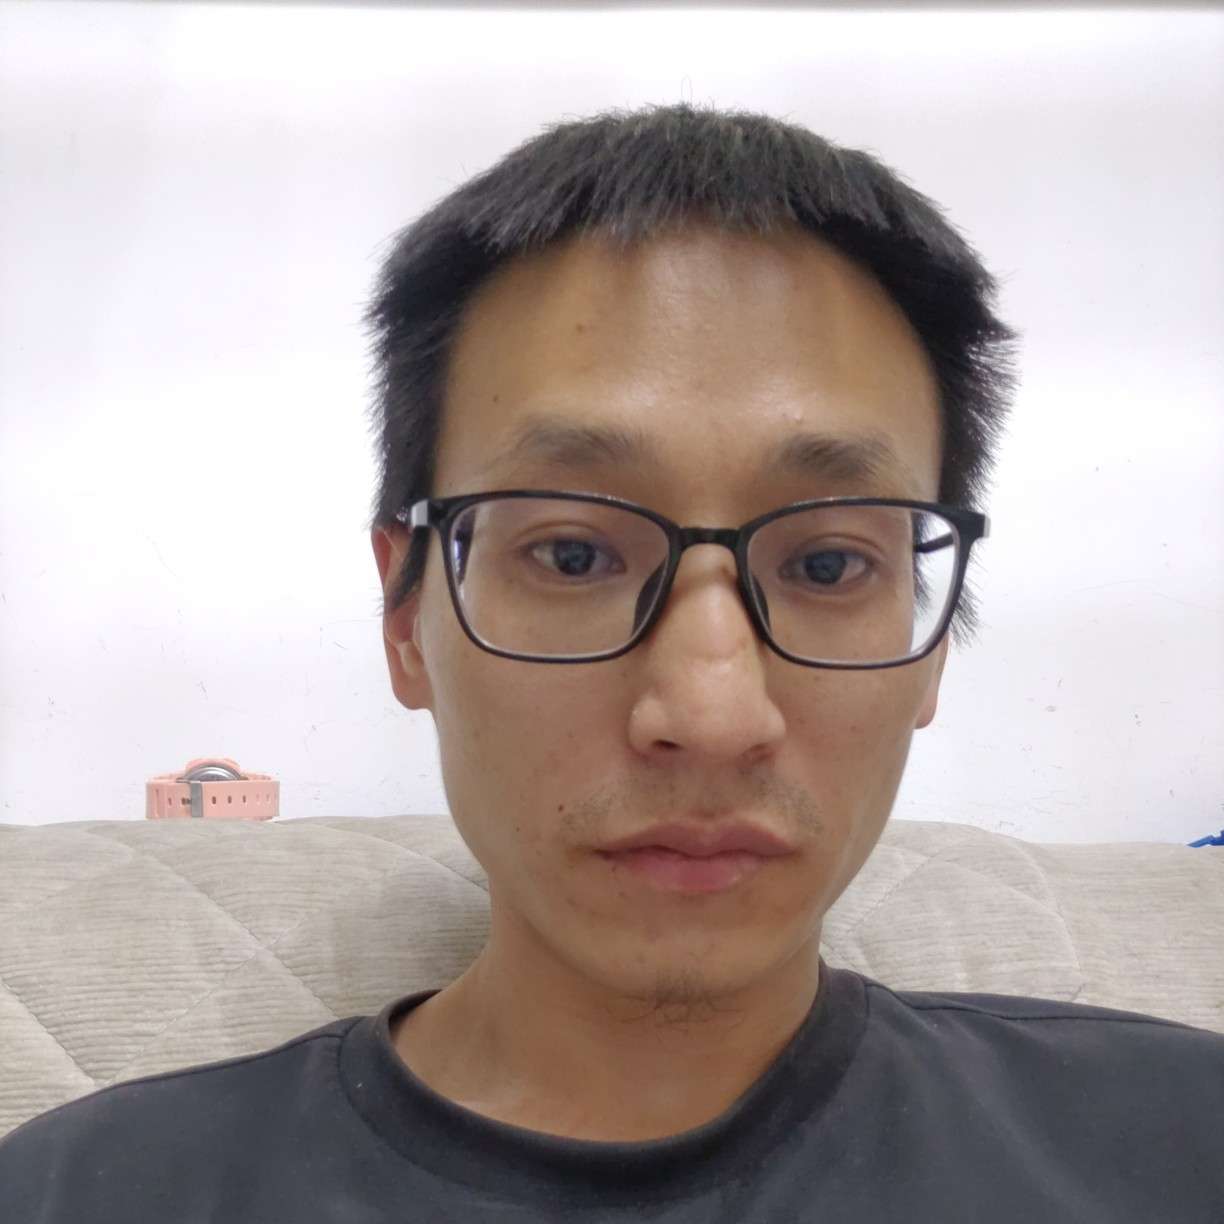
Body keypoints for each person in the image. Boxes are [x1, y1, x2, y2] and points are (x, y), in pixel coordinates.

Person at [2, 102, 1221, 1222]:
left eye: (829, 564)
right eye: (574, 552)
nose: (711, 711)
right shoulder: (82, 1193)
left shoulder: (1176, 1140)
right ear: (405, 616)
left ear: (932, 644)